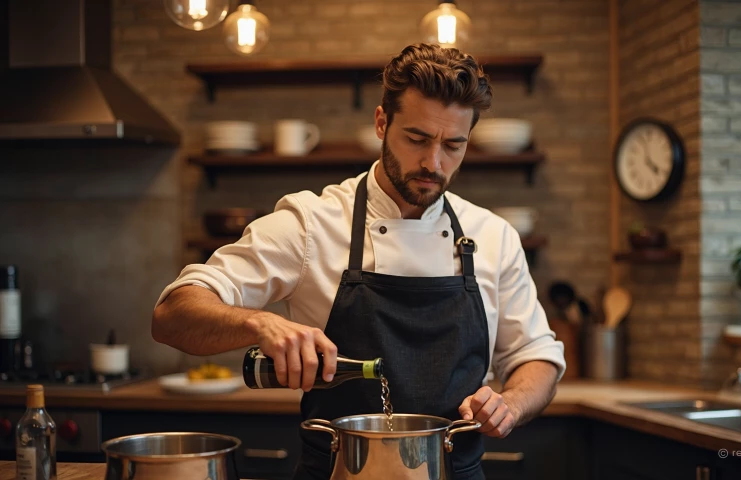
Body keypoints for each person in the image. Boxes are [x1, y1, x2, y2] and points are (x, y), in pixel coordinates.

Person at [152, 43, 566, 480]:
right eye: (417, 139)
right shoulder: (310, 223)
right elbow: (171, 315)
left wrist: (510, 404)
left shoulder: (493, 236)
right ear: (381, 122)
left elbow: (535, 356)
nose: (433, 162)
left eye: (453, 145)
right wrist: (260, 324)